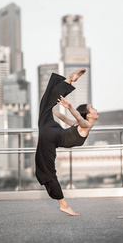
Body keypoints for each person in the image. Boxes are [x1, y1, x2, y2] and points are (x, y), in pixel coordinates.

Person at [35, 69, 98, 216]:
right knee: (48, 171)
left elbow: (73, 120)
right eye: (93, 108)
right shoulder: (84, 126)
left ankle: (69, 80)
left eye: (93, 108)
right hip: (53, 135)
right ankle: (63, 204)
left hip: (52, 132)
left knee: (45, 103)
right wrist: (59, 109)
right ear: (89, 114)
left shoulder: (82, 125)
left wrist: (52, 110)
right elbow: (72, 119)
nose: (96, 110)